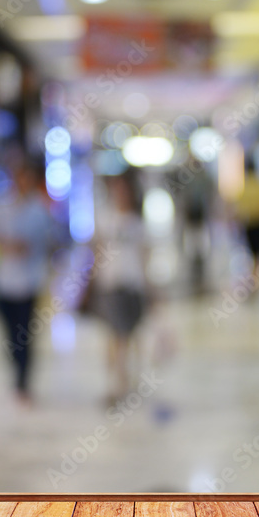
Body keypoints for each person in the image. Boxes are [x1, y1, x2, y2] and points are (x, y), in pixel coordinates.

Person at [0, 161, 53, 405]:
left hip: (28, 283)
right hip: (3, 283)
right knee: (10, 336)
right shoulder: (0, 207)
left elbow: (50, 241)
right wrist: (5, 246)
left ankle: (23, 382)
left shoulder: (39, 210)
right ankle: (16, 371)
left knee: (24, 336)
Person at [93, 169, 149, 400]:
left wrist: (150, 287)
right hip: (111, 285)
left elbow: (145, 254)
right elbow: (96, 251)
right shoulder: (105, 219)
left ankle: (129, 379)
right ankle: (118, 383)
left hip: (133, 284)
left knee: (131, 335)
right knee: (117, 335)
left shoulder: (137, 223)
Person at [234, 155, 259, 271]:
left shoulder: (245, 186)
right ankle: (257, 271)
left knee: (252, 249)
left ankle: (254, 271)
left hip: (249, 223)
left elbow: (239, 206)